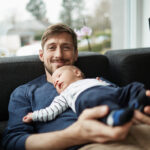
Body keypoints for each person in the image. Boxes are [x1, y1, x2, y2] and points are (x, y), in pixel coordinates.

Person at [2, 23, 150, 150]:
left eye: (66, 48)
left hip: (134, 128)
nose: (59, 55)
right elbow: (13, 142)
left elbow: (127, 99)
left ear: (75, 54)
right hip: (90, 145)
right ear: (41, 55)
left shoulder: (97, 81)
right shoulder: (25, 92)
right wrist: (75, 135)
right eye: (52, 48)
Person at [23, 65, 150, 126]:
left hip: (112, 93)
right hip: (87, 99)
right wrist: (34, 115)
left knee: (134, 86)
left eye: (59, 76)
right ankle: (112, 117)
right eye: (55, 83)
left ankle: (137, 101)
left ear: (77, 72)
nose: (56, 81)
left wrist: (106, 83)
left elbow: (116, 89)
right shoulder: (65, 95)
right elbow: (51, 111)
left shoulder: (95, 80)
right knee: (98, 105)